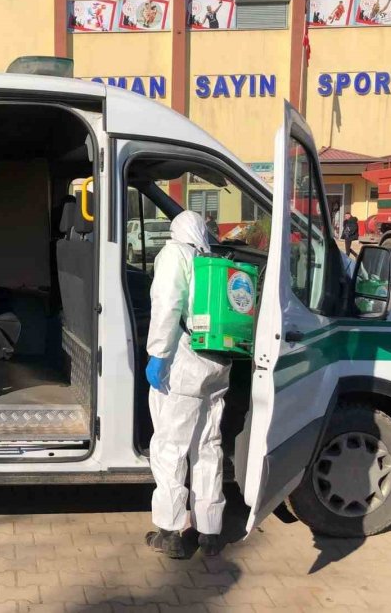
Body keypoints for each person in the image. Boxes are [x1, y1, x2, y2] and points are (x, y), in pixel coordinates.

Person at [144, 211, 231, 558]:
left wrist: (158, 354)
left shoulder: (174, 254)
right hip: (217, 364)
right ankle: (210, 531)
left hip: (183, 365)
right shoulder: (213, 260)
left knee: (170, 447)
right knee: (208, 445)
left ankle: (171, 531)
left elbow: (168, 305)